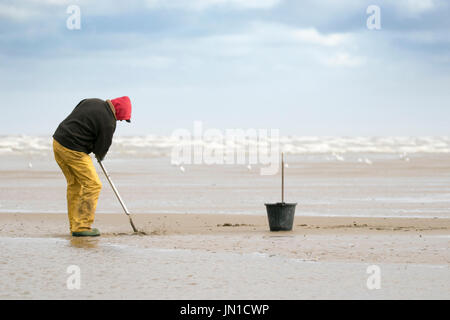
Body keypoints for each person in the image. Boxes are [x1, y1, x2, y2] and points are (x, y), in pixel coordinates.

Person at [53, 96, 132, 237]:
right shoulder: (109, 122)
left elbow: (78, 118)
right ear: (119, 111)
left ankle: (75, 226)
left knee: (75, 184)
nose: (120, 120)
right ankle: (82, 226)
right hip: (74, 149)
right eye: (122, 118)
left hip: (58, 142)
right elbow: (102, 147)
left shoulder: (92, 101)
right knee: (93, 185)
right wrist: (100, 155)